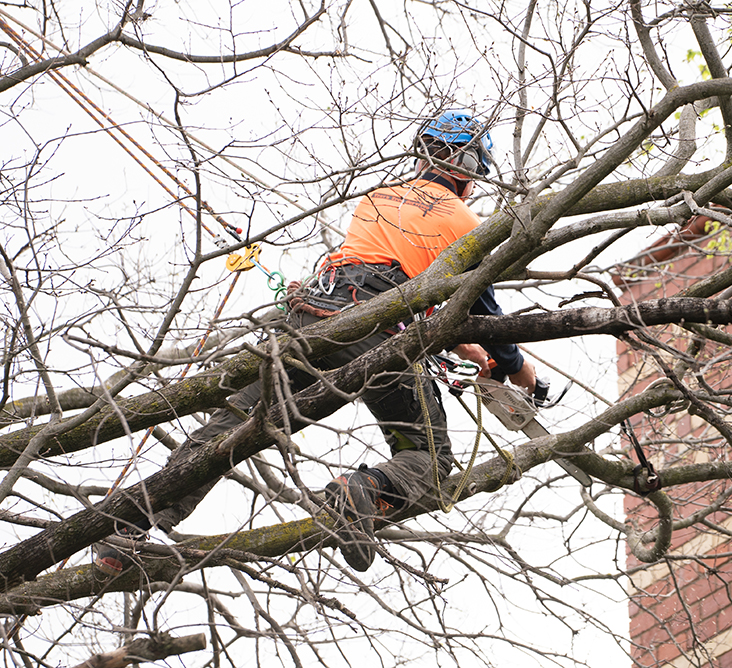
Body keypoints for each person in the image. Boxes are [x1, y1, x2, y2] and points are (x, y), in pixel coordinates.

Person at [94, 109, 535, 575]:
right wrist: (519, 372)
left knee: (235, 425)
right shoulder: (467, 223)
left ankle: (126, 529)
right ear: (468, 172)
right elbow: (487, 313)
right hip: (375, 340)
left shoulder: (379, 199)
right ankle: (365, 491)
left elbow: (397, 270)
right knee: (428, 454)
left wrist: (457, 347)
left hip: (312, 323)